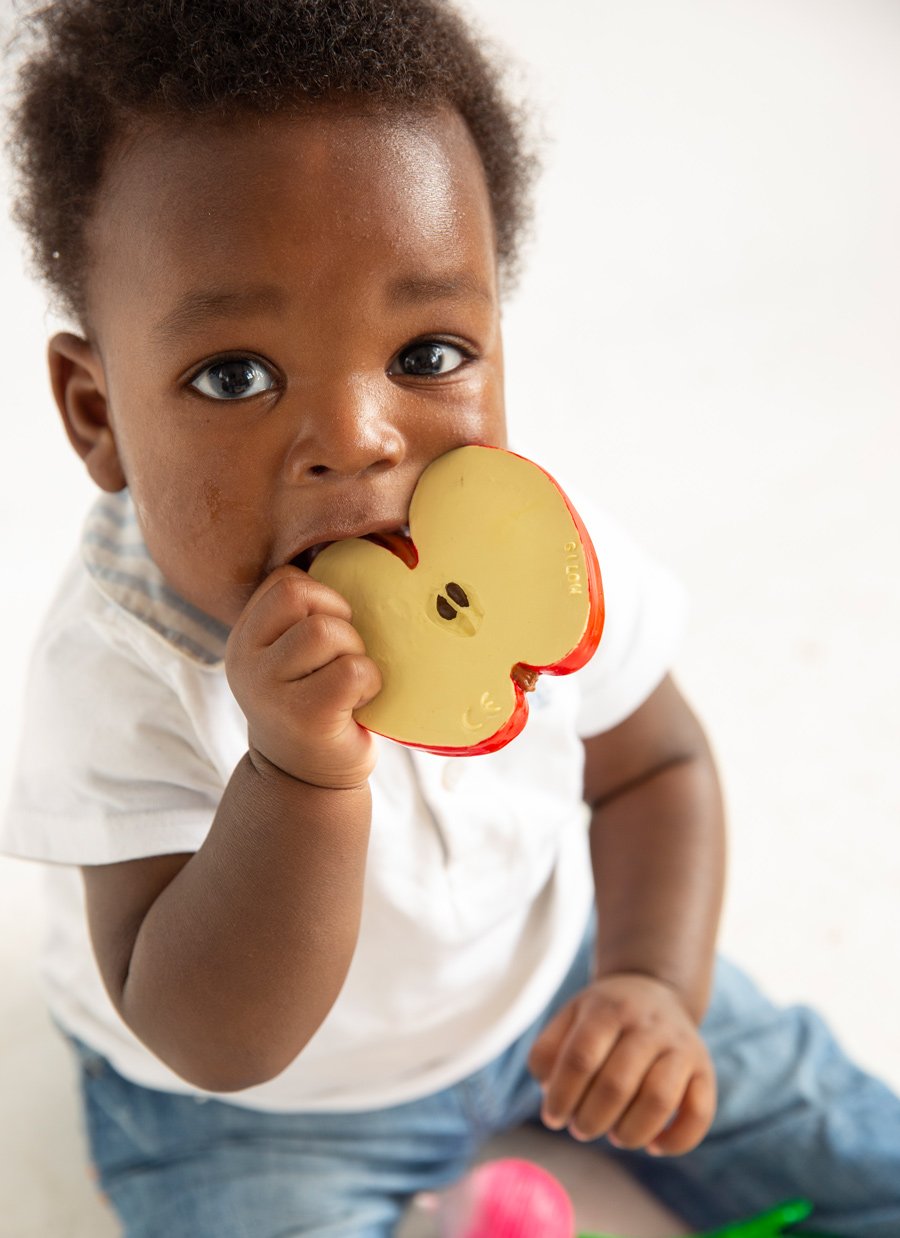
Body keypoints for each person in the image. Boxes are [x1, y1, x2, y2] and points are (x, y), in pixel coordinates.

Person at [2, 2, 898, 1235]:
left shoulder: (531, 543)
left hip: (552, 978)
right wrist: (296, 774)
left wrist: (648, 982)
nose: (360, 438)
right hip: (266, 1120)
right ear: (96, 412)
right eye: (234, 375)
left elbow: (659, 764)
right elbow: (212, 1034)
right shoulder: (120, 665)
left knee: (846, 1135)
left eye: (427, 353)